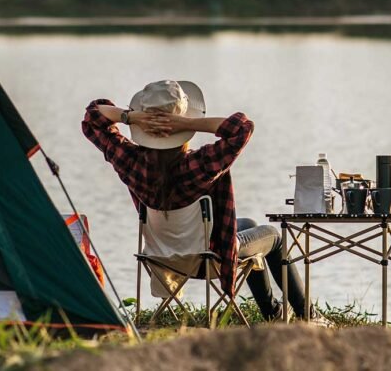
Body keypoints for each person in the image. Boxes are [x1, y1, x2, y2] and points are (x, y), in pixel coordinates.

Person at [81, 79, 317, 322]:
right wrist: (186, 123)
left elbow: (92, 116)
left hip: (161, 258)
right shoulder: (200, 164)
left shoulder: (130, 161)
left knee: (248, 224)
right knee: (274, 237)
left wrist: (131, 117)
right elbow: (242, 128)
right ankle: (307, 315)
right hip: (209, 258)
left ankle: (273, 312)